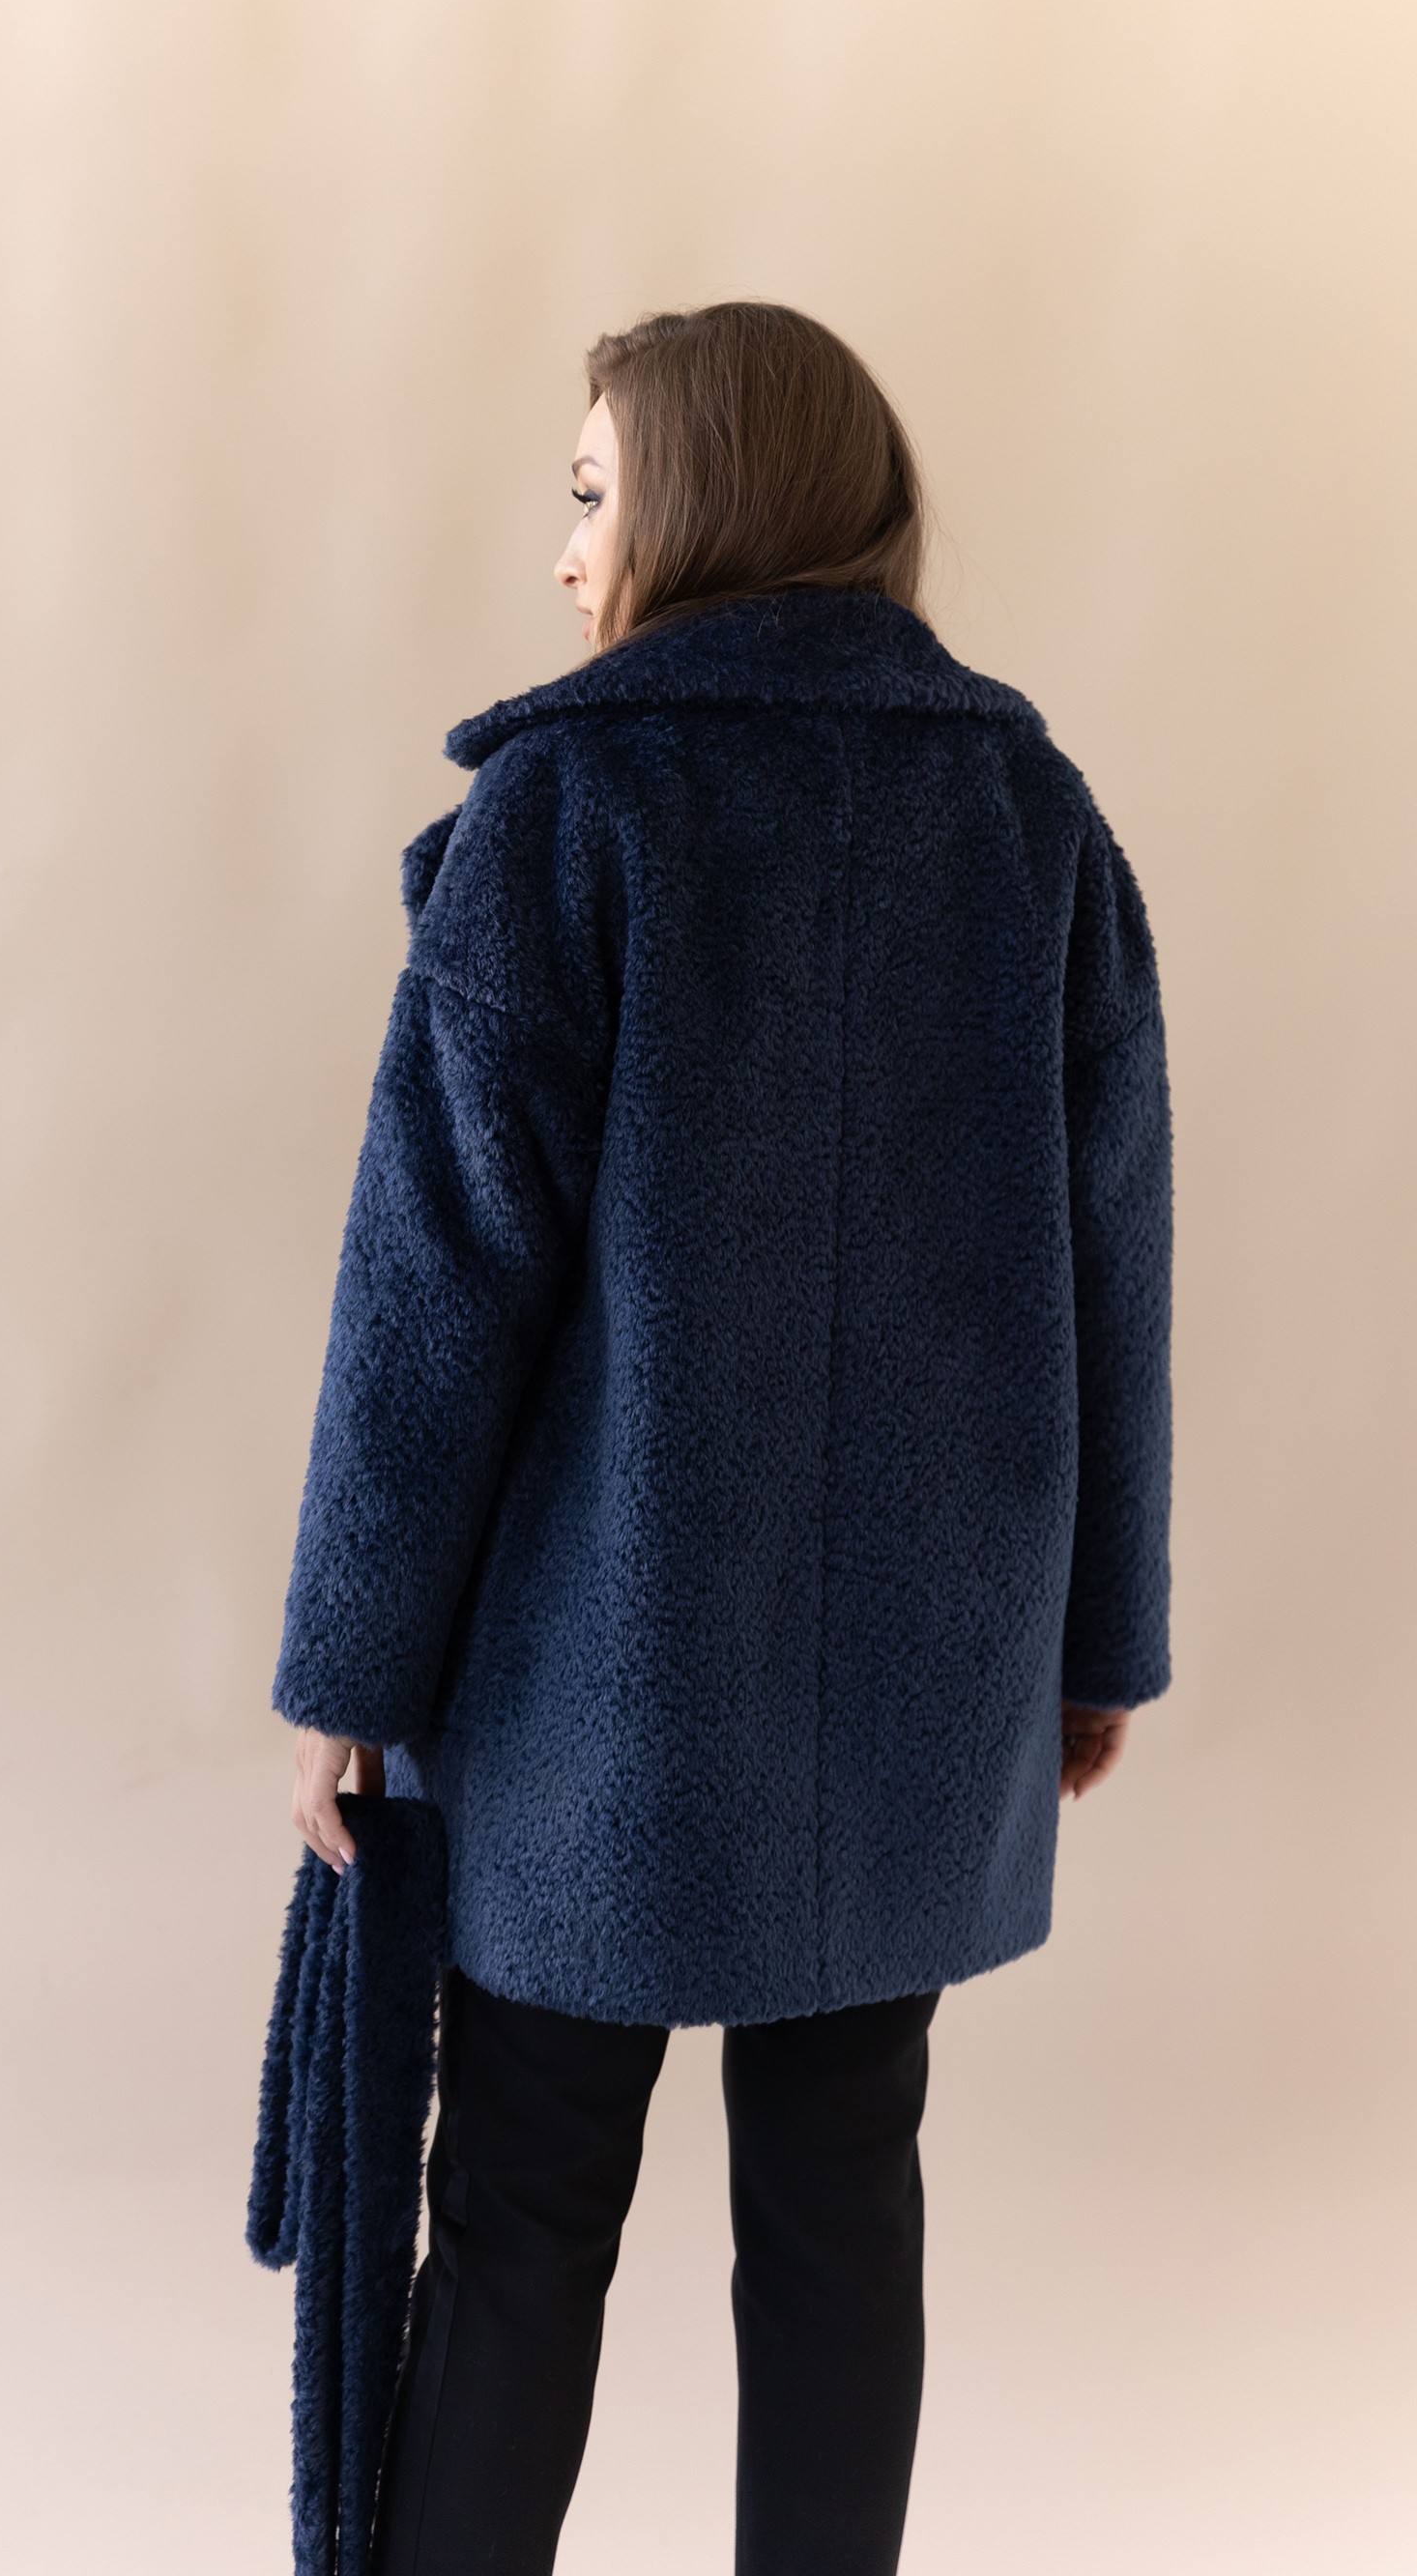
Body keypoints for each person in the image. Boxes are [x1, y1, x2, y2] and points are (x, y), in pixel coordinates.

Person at [271, 301, 1172, 2576]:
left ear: (701, 500)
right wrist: (1096, 1638)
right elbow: (1116, 1264)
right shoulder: (1031, 819)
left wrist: (351, 1669)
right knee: (847, 2204)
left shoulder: (569, 812)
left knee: (521, 2216)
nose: (569, 554)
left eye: (596, 494)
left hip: (599, 1694)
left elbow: (435, 1293)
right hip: (924, 1678)